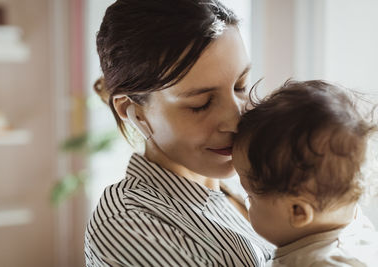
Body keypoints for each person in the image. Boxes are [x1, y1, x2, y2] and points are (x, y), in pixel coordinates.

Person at [84, 0, 272, 266]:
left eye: (240, 86)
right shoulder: (127, 222)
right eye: (201, 104)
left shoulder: (241, 190)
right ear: (135, 112)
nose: (236, 120)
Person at [232, 80, 378, 267]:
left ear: (298, 211)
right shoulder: (350, 220)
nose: (245, 204)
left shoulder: (326, 263)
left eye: (250, 196)